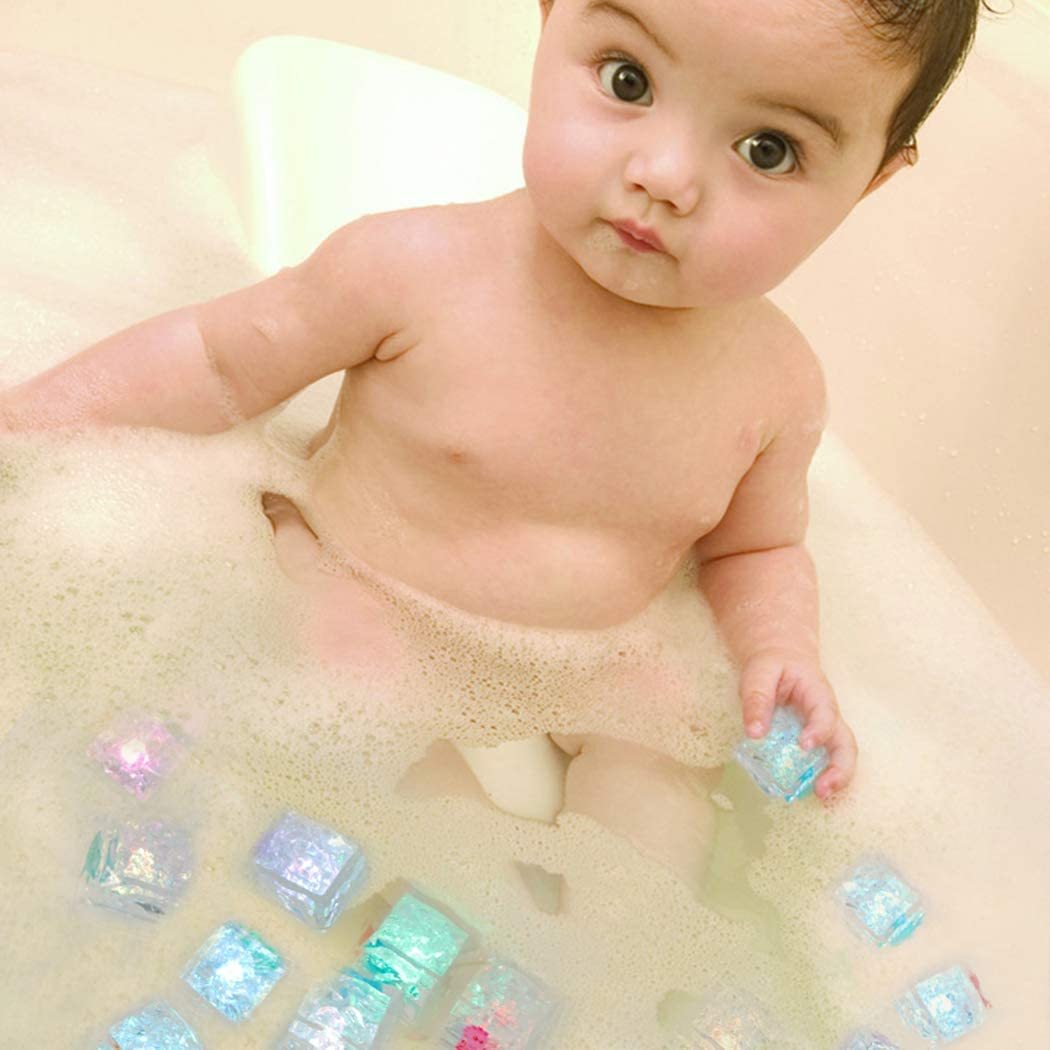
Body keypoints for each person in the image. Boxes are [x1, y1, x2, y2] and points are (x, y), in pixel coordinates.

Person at [0, 0, 995, 885]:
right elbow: (216, 364)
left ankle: (617, 968)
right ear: (550, 16)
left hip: (604, 656)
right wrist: (34, 418)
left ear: (871, 180)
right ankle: (431, 905)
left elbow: (756, 548)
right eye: (628, 81)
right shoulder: (413, 270)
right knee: (371, 722)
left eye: (767, 150)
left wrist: (778, 651)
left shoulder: (777, 384)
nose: (665, 177)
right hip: (364, 593)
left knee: (664, 791)